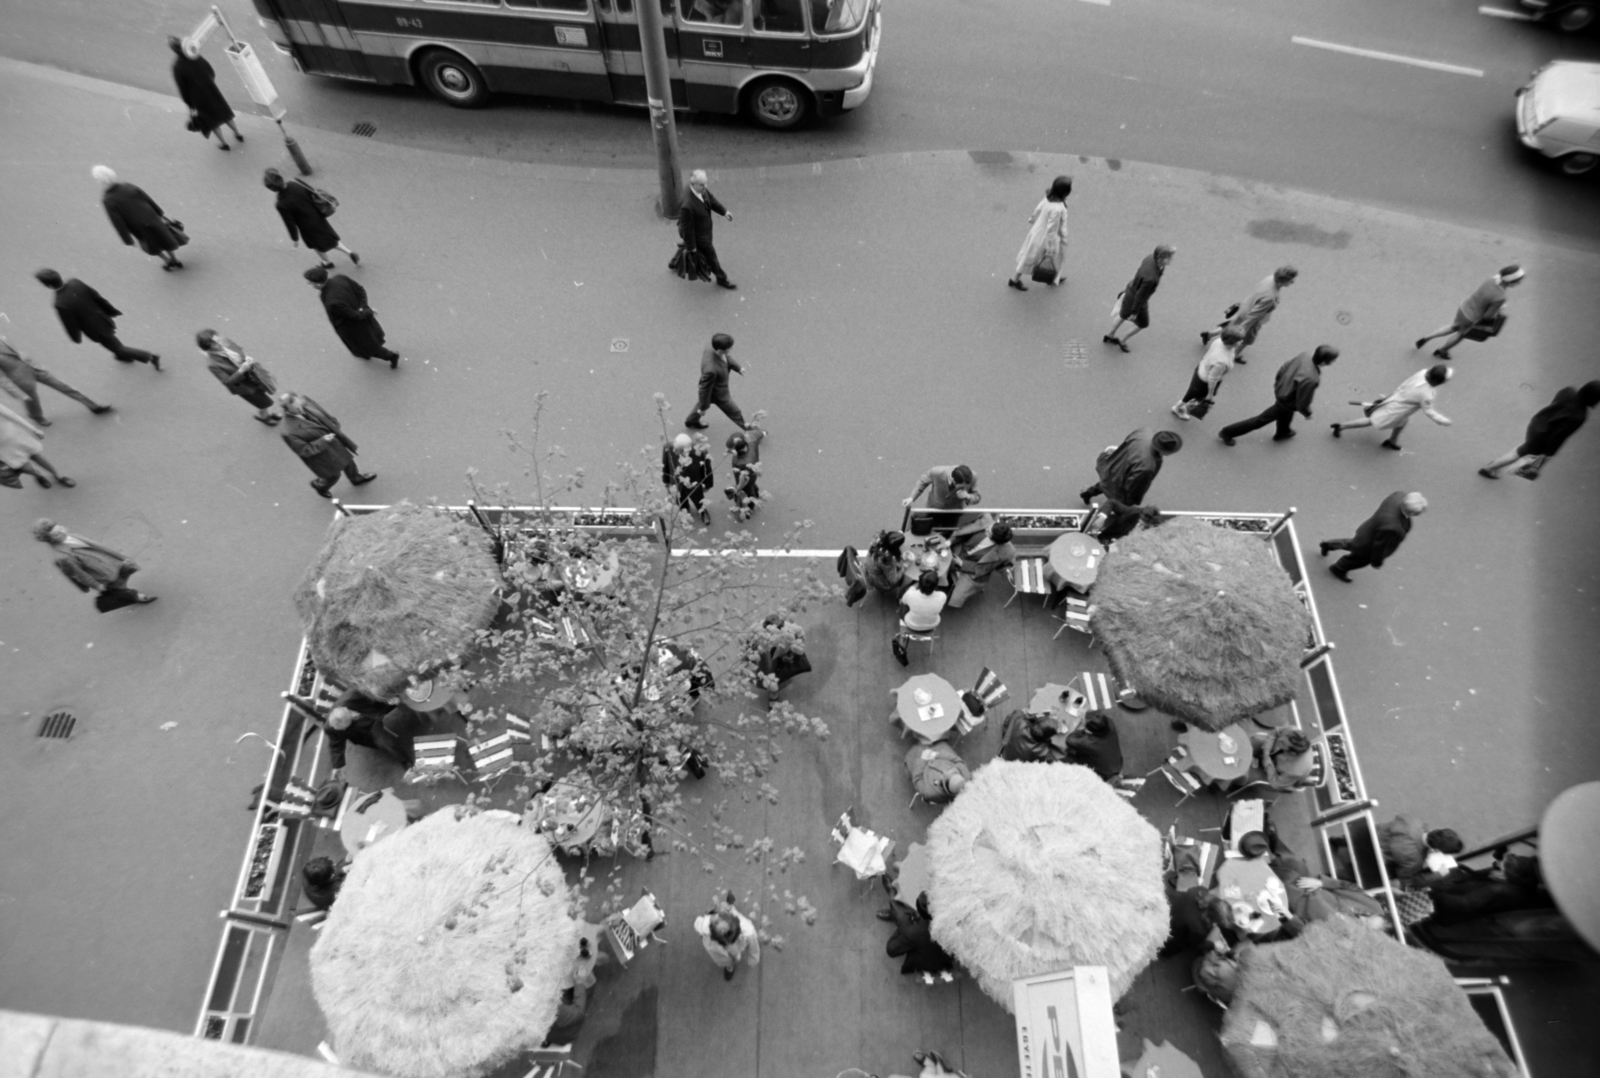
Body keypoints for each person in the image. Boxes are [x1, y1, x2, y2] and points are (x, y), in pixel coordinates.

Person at [36, 269, 160, 368]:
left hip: (94, 329)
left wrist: (76, 338)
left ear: (47, 285)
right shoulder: (76, 283)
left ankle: (150, 356)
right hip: (103, 318)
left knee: (116, 347)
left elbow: (70, 324)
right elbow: (97, 297)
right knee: (113, 342)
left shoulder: (60, 303)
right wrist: (111, 310)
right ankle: (122, 356)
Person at [1479, 380, 1600, 479]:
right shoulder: (1579, 415)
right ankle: (1488, 468)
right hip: (1543, 436)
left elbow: (1556, 403)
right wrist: (1548, 453)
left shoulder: (1569, 391)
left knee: (1523, 448)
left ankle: (1495, 464)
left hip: (1537, 423)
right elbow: (1558, 435)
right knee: (1519, 453)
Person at [1219, 345, 1338, 446]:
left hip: (1282, 391)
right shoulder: (1311, 378)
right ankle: (1227, 432)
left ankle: (1283, 432)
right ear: (1324, 362)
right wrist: (1307, 413)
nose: (1333, 363)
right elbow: (1303, 401)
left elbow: (1284, 367)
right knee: (1260, 420)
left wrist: (1277, 382)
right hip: (1286, 401)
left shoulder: (1304, 355)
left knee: (1286, 413)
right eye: (1332, 361)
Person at [34, 518, 155, 609]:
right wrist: (97, 586)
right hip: (102, 574)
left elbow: (95, 546)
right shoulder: (64, 557)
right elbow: (81, 575)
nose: (62, 531)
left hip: (108, 561)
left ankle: (124, 590)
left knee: (126, 569)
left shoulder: (69, 535)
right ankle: (136, 597)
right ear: (51, 539)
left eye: (59, 527)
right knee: (119, 589)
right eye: (57, 533)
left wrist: (119, 557)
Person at [277, 391, 376, 498]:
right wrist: (323, 440)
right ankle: (320, 486)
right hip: (321, 456)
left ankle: (356, 478)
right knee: (333, 476)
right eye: (296, 408)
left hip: (334, 442)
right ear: (287, 410)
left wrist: (333, 422)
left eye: (299, 404)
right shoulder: (288, 431)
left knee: (348, 461)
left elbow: (322, 413)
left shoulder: (305, 402)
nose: (301, 409)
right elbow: (304, 450)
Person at [1331, 364, 1453, 450]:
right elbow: (1429, 411)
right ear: (1438, 382)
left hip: (1395, 399)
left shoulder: (1421, 373)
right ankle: (1342, 426)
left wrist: (1391, 396)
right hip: (1398, 410)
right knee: (1372, 420)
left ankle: (1392, 441)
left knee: (1402, 422)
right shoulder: (1426, 395)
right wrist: (1443, 421)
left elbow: (1404, 384)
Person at [1415, 265, 1523, 359]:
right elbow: (1487, 316)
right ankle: (1442, 351)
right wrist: (1499, 309)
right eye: (1518, 281)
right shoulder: (1501, 297)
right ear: (1511, 281)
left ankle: (1426, 338)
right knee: (1460, 335)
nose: (1519, 283)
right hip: (1472, 318)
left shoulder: (1490, 279)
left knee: (1453, 326)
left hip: (1464, 307)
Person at [1318, 491, 1426, 583]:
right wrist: (1376, 562)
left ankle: (1328, 545)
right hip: (1368, 545)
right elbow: (1379, 546)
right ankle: (1338, 568)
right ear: (1411, 513)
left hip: (1367, 531)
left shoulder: (1398, 496)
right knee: (1358, 559)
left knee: (1351, 544)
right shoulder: (1393, 527)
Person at [305, 266, 401, 369]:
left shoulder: (332, 301)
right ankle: (366, 353)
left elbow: (353, 315)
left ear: (318, 284)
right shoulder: (341, 278)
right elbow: (360, 290)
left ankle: (391, 356)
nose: (310, 284)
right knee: (369, 341)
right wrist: (363, 307)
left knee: (368, 346)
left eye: (311, 283)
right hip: (363, 317)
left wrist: (366, 311)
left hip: (353, 327)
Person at [0, 336, 111, 424]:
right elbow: (2, 380)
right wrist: (18, 395)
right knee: (33, 400)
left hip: (33, 367)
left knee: (63, 386)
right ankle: (36, 416)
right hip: (21, 378)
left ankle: (93, 406)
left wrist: (28, 360)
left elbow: (13, 351)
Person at [95, 166, 186, 271]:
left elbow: (117, 222)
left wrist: (127, 239)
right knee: (163, 238)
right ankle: (175, 260)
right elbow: (148, 200)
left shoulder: (108, 200)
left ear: (101, 182)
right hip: (152, 218)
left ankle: (167, 261)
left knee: (152, 245)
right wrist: (159, 213)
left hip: (138, 227)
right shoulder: (128, 186)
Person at [264, 168, 358, 269]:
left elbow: (289, 222)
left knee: (316, 245)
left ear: (272, 189)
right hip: (317, 216)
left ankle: (326, 262)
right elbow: (312, 192)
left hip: (305, 226)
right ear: (281, 178)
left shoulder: (281, 204)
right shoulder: (296, 182)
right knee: (330, 237)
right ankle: (349, 252)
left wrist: (295, 239)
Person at [1204, 265, 1297, 362]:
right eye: (1290, 280)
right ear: (1281, 281)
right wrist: (1241, 330)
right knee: (1248, 339)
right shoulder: (1270, 296)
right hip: (1252, 319)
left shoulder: (1270, 278)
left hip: (1245, 307)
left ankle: (1210, 334)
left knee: (1233, 325)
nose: (1292, 282)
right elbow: (1254, 315)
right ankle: (1234, 355)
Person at [169, 36, 242, 150]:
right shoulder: (195, 55)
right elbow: (211, 71)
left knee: (212, 121)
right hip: (211, 90)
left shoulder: (177, 67)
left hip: (198, 98)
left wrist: (189, 103)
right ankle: (238, 134)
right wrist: (209, 83)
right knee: (225, 113)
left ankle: (224, 143)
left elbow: (183, 88)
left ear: (174, 50)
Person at [196, 330, 281, 425]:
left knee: (264, 392)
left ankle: (265, 413)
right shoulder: (212, 364)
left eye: (218, 339)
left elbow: (239, 349)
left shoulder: (225, 341)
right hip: (244, 386)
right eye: (215, 344)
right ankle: (265, 417)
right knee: (264, 402)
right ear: (209, 348)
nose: (220, 343)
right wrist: (241, 370)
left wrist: (246, 357)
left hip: (253, 375)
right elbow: (227, 382)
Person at [1079, 428, 1182, 506]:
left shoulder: (1143, 432)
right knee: (1117, 498)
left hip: (1116, 464)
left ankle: (1087, 493)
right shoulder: (1147, 466)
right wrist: (1130, 503)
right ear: (1164, 451)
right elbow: (1134, 487)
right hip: (1122, 479)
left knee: (1106, 482)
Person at [324, 693, 416, 776]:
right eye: (343, 729)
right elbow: (336, 745)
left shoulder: (355, 694)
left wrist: (390, 697)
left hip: (374, 713)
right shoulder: (331, 728)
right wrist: (337, 766)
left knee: (403, 699)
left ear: (350, 714)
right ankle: (405, 761)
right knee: (385, 743)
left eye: (345, 728)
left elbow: (376, 691)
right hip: (366, 730)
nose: (344, 730)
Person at [1104, 243, 1174, 351]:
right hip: (1137, 300)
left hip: (1130, 290)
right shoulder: (1151, 278)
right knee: (1143, 324)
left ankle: (1110, 335)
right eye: (1168, 258)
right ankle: (1123, 341)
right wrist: (1134, 313)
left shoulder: (1150, 258)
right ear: (1160, 258)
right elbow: (1140, 296)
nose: (1171, 260)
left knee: (1123, 315)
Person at [1007, 175, 1071, 290]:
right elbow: (1052, 229)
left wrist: (1032, 219)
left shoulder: (1049, 197)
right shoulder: (1057, 208)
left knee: (1030, 257)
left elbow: (1038, 209)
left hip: (1037, 232)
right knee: (1046, 256)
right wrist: (1049, 247)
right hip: (1044, 239)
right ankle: (1015, 279)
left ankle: (1054, 276)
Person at [677, 169, 736, 290]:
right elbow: (688, 231)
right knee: (712, 258)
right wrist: (692, 248)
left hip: (701, 231)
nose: (705, 187)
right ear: (693, 184)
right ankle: (721, 278)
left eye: (706, 183)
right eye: (702, 185)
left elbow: (711, 200)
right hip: (700, 238)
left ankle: (674, 263)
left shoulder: (701, 190)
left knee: (686, 246)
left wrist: (724, 212)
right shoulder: (687, 206)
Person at [877, 890, 956, 978]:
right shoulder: (953, 919)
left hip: (927, 962)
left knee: (898, 911)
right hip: (946, 956)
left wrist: (902, 927)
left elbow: (891, 950)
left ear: (918, 909)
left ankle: (893, 910)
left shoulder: (912, 931)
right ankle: (893, 907)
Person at [0, 401, 74, 489]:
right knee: (26, 468)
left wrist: (34, 429)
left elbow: (12, 415)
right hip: (3, 449)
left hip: (16, 438)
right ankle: (37, 475)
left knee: (37, 457)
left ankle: (58, 475)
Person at [1172, 326, 1240, 421]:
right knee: (1194, 396)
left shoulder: (1219, 341)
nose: (1240, 342)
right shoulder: (1221, 362)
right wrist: (1210, 394)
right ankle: (1178, 408)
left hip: (1202, 369)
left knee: (1192, 394)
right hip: (1204, 381)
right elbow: (1212, 379)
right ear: (1231, 343)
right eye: (1238, 341)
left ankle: (1181, 406)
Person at [684, 333, 749, 430]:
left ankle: (691, 421)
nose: (732, 349)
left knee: (701, 405)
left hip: (713, 388)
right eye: (729, 348)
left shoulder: (711, 347)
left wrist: (738, 368)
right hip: (719, 393)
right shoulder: (711, 370)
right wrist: (703, 408)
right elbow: (704, 390)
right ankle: (750, 431)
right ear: (720, 350)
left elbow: (726, 358)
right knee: (735, 412)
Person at [1379, 813, 1463, 884]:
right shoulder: (1415, 861)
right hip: (1373, 859)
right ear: (1437, 850)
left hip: (1368, 833)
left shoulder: (1413, 820)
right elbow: (1407, 880)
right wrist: (1439, 874)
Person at [947, 520, 1015, 608]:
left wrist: (961, 563)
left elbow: (983, 569)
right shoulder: (986, 522)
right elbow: (963, 534)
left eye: (988, 531)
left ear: (994, 539)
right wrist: (948, 542)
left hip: (972, 569)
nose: (986, 528)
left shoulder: (1007, 552)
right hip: (959, 550)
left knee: (957, 596)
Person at [693, 892, 760, 980]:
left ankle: (730, 966)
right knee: (725, 958)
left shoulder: (745, 929)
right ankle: (729, 965)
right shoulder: (713, 920)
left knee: (731, 958)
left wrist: (752, 958)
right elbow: (701, 923)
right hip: (722, 946)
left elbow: (752, 943)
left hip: (734, 944)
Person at [748, 612, 810, 701]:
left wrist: (794, 650)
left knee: (780, 675)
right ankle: (772, 690)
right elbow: (750, 638)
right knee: (766, 673)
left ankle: (774, 693)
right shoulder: (759, 629)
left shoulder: (790, 628)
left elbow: (801, 634)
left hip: (782, 655)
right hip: (766, 656)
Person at [902, 465, 980, 534]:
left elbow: (977, 497)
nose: (964, 488)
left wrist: (968, 496)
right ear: (953, 481)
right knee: (931, 529)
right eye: (962, 487)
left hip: (955, 511)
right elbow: (922, 482)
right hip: (934, 508)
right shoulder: (936, 473)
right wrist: (911, 497)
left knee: (949, 530)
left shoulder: (972, 477)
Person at [892, 570, 946, 666]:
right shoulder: (942, 596)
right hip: (932, 625)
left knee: (902, 604)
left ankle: (899, 616)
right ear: (935, 586)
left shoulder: (911, 594)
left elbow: (904, 601)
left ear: (920, 583)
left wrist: (913, 585)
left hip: (911, 624)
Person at [662, 433, 714, 526]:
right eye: (677, 450)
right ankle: (685, 512)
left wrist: (708, 485)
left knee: (699, 499)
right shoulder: (668, 448)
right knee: (681, 501)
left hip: (694, 484)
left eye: (682, 451)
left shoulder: (701, 451)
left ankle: (702, 511)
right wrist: (666, 481)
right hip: (677, 484)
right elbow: (665, 465)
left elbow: (707, 469)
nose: (676, 452)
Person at [1065, 711, 1124, 781]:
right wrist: (1087, 716)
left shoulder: (1089, 743)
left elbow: (1069, 740)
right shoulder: (1109, 723)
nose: (1082, 719)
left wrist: (1084, 730)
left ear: (1090, 731)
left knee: (1069, 757)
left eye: (1082, 720)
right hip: (1116, 762)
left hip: (1103, 771)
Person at [906, 741, 970, 804]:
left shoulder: (930, 793)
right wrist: (935, 754)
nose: (944, 772)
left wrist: (923, 759)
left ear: (944, 786)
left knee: (914, 750)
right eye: (950, 770)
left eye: (944, 776)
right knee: (936, 738)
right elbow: (956, 759)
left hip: (922, 767)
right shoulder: (966, 776)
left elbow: (917, 778)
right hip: (940, 753)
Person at [724, 426, 766, 520]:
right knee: (753, 486)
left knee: (749, 494)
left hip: (746, 481)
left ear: (740, 450)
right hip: (753, 474)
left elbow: (744, 480)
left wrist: (737, 488)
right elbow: (758, 434)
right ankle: (757, 493)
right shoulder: (750, 439)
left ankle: (748, 508)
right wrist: (763, 433)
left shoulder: (743, 464)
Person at [1088, 499, 1162, 545]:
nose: (1140, 527)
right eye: (1140, 524)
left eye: (1144, 527)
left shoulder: (1154, 532)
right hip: (1106, 540)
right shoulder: (1133, 512)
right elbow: (1112, 502)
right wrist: (1102, 517)